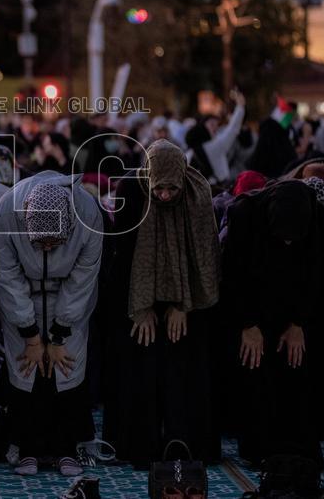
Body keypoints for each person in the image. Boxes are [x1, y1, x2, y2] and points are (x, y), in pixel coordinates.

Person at [0, 172, 104, 477]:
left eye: (56, 241)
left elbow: (83, 279)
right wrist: (30, 335)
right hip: (20, 298)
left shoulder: (89, 214)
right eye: (41, 241)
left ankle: (66, 449)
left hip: (70, 298)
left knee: (65, 368)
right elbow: (6, 277)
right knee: (27, 371)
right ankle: (28, 449)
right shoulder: (3, 214)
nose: (48, 248)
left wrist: (58, 335)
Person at [115, 140, 221, 466]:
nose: (163, 195)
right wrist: (141, 307)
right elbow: (123, 255)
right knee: (144, 373)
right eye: (158, 188)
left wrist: (183, 305)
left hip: (190, 299)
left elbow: (204, 256)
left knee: (184, 373)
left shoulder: (196, 193)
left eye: (171, 188)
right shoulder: (131, 190)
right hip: (140, 296)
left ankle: (186, 442)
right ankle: (142, 448)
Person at [221, 181, 324, 465]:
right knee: (256, 371)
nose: (288, 243)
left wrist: (298, 323)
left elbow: (316, 273)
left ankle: (296, 449)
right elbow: (232, 275)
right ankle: (259, 450)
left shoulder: (316, 215)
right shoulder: (245, 214)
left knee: (297, 370)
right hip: (252, 307)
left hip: (296, 310)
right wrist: (248, 324)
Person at [184, 91, 246, 185]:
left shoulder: (189, 152)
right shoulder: (215, 146)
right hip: (218, 189)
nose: (215, 128)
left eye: (217, 125)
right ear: (203, 127)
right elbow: (233, 128)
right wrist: (240, 106)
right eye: (212, 124)